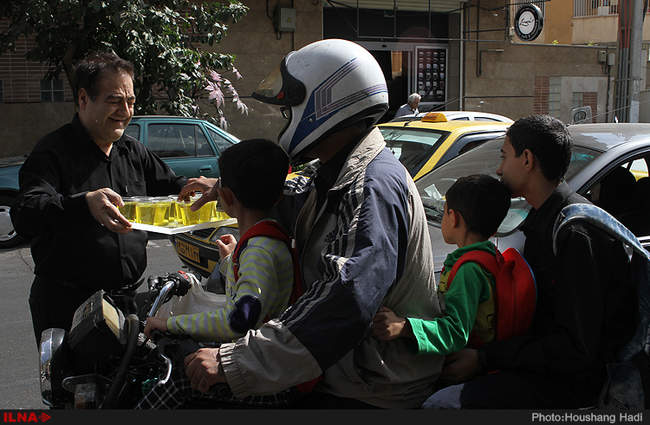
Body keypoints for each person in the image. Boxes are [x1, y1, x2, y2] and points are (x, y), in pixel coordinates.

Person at [155, 38, 444, 409]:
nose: (286, 118)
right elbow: (289, 197)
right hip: (339, 371)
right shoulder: (337, 172)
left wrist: (235, 361)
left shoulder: (372, 187)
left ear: (327, 103)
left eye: (289, 108)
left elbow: (344, 300)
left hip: (369, 389)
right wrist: (228, 188)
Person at [422, 114, 638, 409]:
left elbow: (575, 348)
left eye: (504, 156)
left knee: (440, 405)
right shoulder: (543, 219)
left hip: (571, 386)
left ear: (526, 159)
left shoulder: (575, 233)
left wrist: (486, 359)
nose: (499, 169)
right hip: (533, 363)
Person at [10, 52, 187, 347]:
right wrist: (83, 204)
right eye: (114, 101)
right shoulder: (52, 152)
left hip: (126, 302)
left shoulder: (132, 151)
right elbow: (26, 212)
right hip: (68, 303)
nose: (125, 111)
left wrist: (201, 188)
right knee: (76, 376)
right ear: (83, 99)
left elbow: (173, 186)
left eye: (130, 101)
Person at [144, 138, 295, 343]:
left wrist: (170, 324)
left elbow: (238, 320)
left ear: (225, 196)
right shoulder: (266, 241)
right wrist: (229, 262)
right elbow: (254, 289)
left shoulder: (258, 252)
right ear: (279, 197)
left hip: (256, 353)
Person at [371, 174, 511, 356]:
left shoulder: (469, 270)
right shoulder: (488, 256)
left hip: (464, 359)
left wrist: (404, 327)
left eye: (444, 211)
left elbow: (456, 332)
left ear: (454, 218)